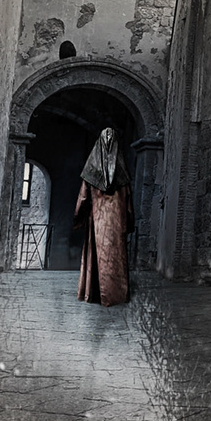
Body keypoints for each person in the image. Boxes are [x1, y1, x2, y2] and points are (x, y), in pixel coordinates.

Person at [75, 127, 132, 306]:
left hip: (97, 221)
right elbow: (129, 205)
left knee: (97, 256)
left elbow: (83, 198)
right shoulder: (123, 174)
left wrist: (78, 219)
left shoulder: (91, 171)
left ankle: (93, 293)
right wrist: (129, 223)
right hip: (116, 223)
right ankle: (116, 295)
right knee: (115, 257)